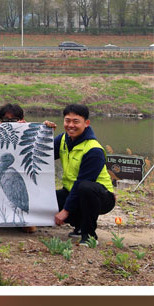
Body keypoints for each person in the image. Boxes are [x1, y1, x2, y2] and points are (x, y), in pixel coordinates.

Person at [41, 104, 116, 243]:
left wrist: (65, 211)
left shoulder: (94, 150)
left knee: (85, 188)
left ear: (86, 123)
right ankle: (79, 225)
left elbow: (82, 183)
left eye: (76, 121)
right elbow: (42, 154)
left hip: (101, 197)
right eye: (67, 120)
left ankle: (89, 236)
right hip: (73, 192)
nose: (71, 125)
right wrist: (43, 133)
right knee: (44, 201)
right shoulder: (63, 139)